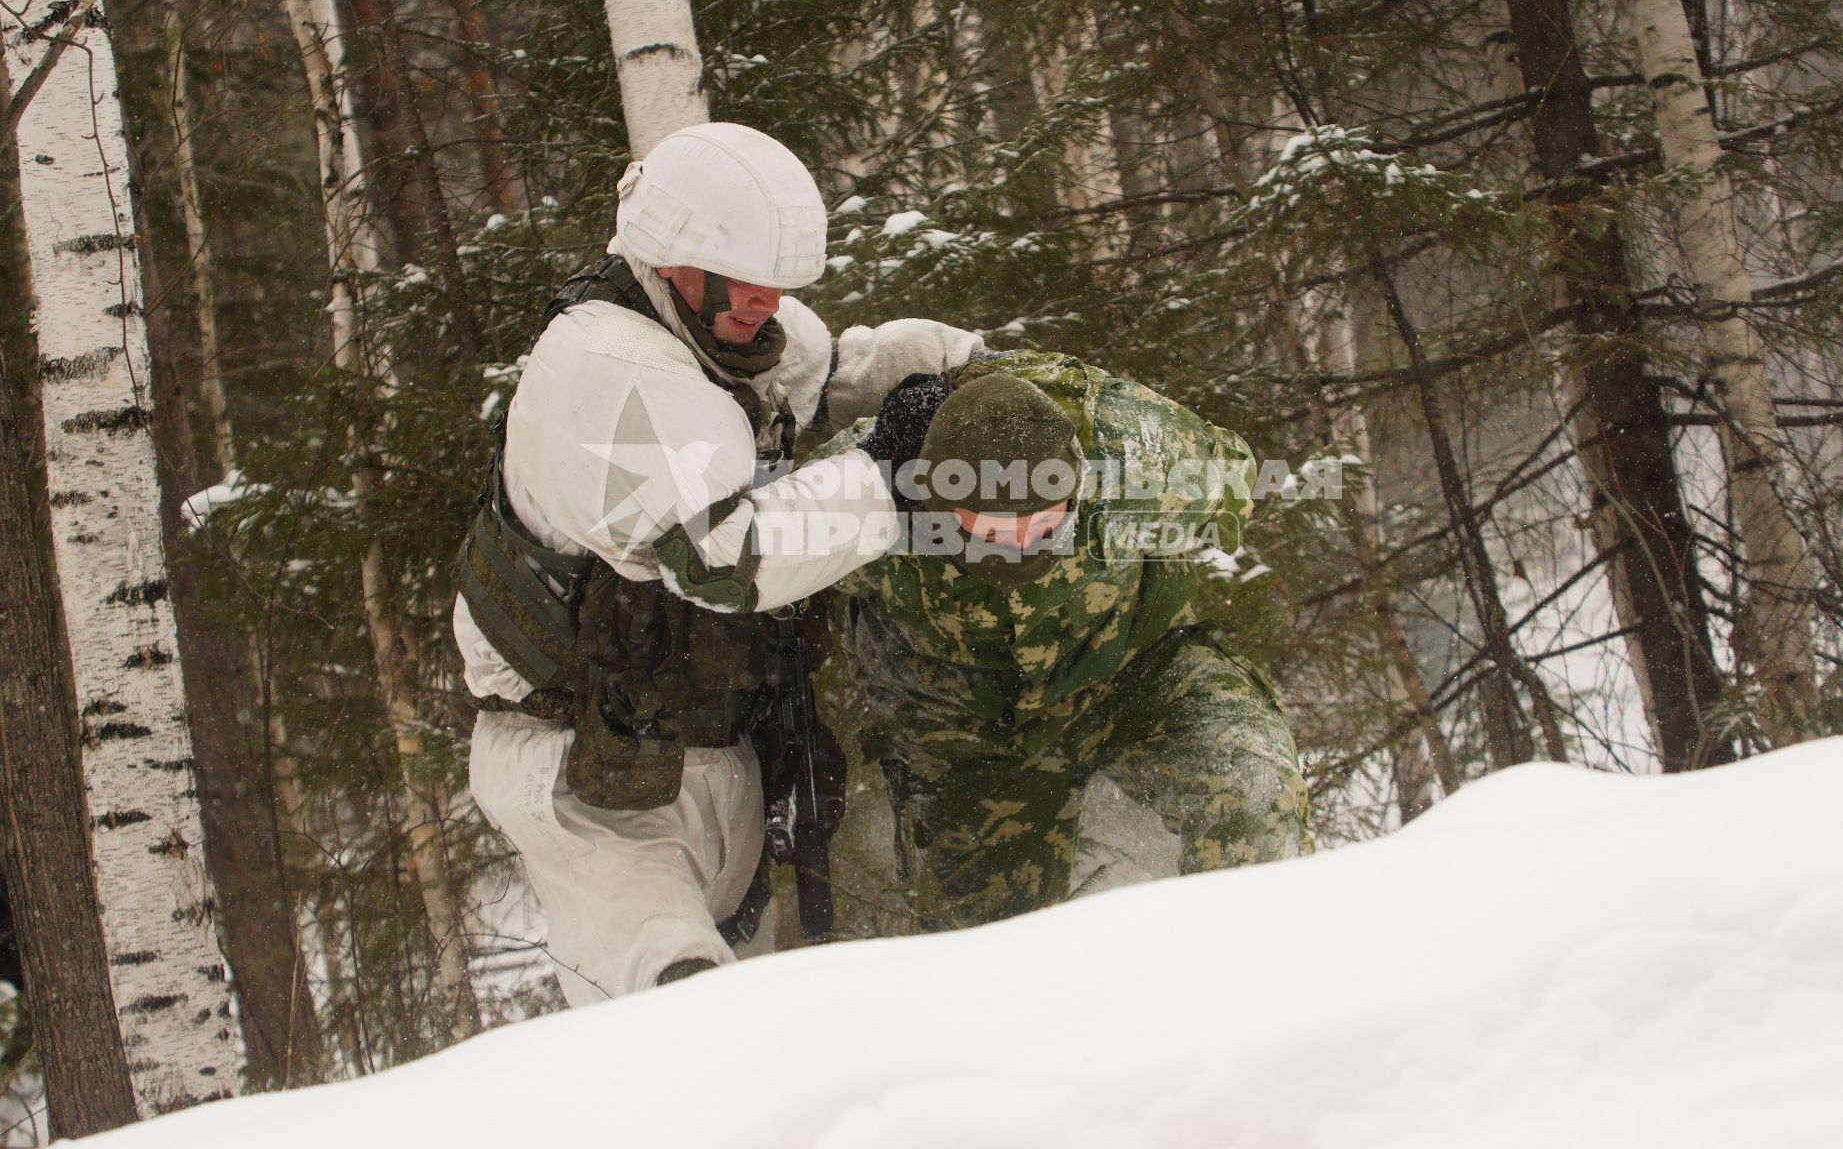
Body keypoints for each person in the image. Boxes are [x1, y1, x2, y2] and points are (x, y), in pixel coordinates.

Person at [453, 122, 982, 1000]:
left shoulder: (720, 321)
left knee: (779, 1010)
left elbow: (824, 375)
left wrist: (953, 368)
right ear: (670, 258)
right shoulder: (608, 371)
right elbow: (721, 558)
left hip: (706, 740)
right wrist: (886, 477)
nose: (763, 301)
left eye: (777, 283)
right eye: (741, 280)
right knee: (671, 1004)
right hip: (590, 783)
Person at [822, 351, 1312, 930]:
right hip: (961, 729)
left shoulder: (1142, 456)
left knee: (1254, 795)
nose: (1025, 543)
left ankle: (1264, 979)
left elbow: (1236, 483)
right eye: (996, 529)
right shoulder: (857, 491)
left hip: (1133, 676)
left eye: (1046, 521)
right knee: (982, 955)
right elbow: (744, 562)